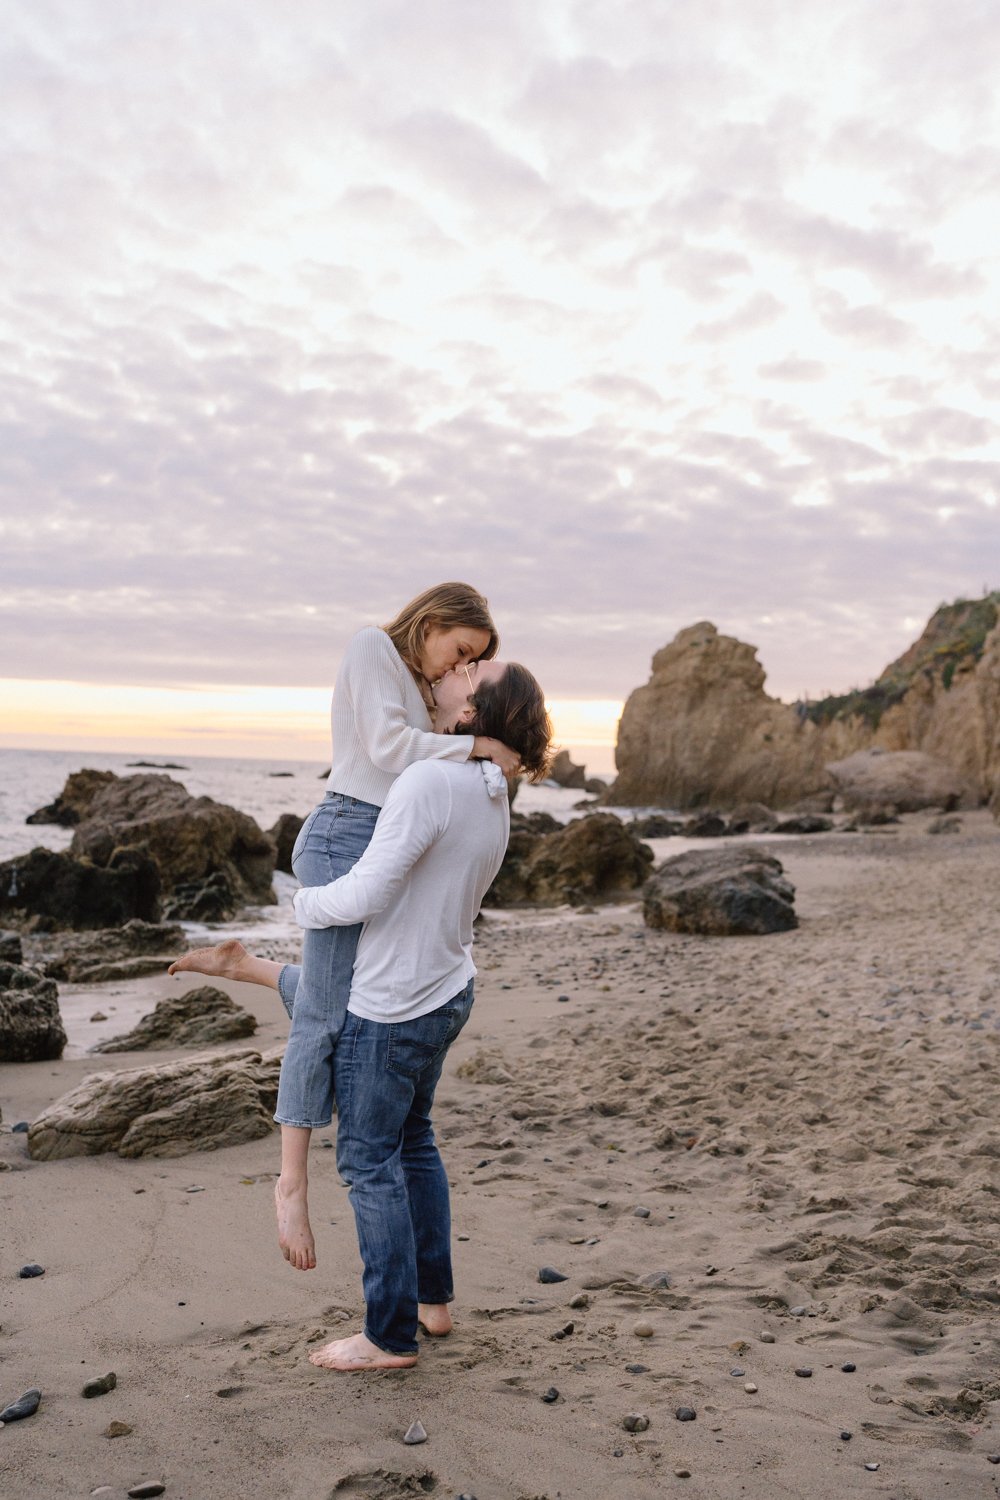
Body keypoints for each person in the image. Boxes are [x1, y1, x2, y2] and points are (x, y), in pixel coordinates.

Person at [170, 659, 553, 1372]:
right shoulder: (493, 789)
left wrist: (303, 904)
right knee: (413, 1141)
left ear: (474, 714)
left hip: (396, 1006)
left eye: (474, 673)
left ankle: (387, 1335)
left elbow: (367, 891)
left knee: (367, 1159)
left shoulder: (430, 780)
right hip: (446, 987)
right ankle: (431, 1304)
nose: (456, 671)